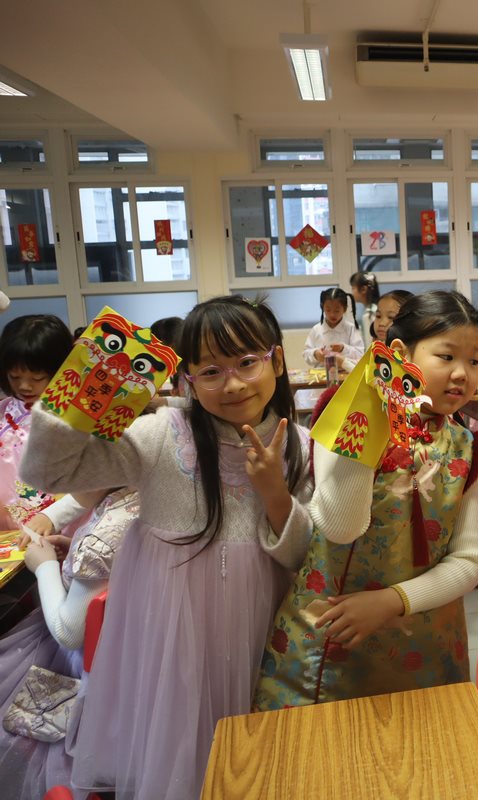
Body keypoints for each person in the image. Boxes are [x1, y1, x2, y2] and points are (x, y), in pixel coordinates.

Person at [20, 295, 314, 800]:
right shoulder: (160, 434)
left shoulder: (299, 445)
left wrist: (275, 494)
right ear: (188, 380)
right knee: (179, 742)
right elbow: (49, 473)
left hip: (262, 620)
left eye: (248, 362)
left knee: (254, 748)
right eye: (211, 371)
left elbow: (300, 556)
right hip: (172, 625)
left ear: (277, 360)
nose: (234, 384)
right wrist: (73, 403)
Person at [256, 291, 478, 708]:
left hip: (425, 640)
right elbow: (340, 527)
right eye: (446, 356)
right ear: (400, 353)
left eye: (474, 361)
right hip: (329, 640)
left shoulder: (469, 444)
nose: (462, 374)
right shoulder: (342, 410)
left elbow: (468, 562)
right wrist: (372, 408)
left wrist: (392, 601)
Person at [0, 487, 138, 799]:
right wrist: (74, 550)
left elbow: (68, 632)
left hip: (83, 660)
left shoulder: (104, 538)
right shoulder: (133, 501)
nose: (68, 491)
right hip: (123, 650)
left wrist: (44, 567)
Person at [0, 315, 73, 530]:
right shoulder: (4, 411)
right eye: (14, 377)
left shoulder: (77, 414)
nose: (24, 386)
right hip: (8, 528)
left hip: (62, 523)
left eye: (37, 378)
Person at [302, 287, 365, 370]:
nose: (332, 314)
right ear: (322, 307)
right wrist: (315, 354)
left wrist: (343, 348)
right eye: (328, 310)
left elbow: (360, 354)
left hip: (345, 372)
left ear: (345, 309)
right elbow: (306, 353)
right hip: (321, 373)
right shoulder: (316, 329)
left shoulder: (351, 329)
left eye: (337, 311)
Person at [348, 271, 380, 346]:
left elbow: (370, 343)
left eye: (353, 288)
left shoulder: (370, 314)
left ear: (363, 289)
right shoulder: (376, 308)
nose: (352, 292)